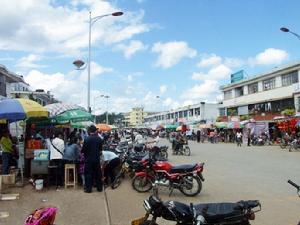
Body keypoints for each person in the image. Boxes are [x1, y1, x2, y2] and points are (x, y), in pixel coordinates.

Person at [81, 125, 103, 193]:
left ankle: (89, 189)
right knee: (98, 174)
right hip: (96, 159)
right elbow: (100, 150)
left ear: (89, 131)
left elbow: (83, 150)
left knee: (88, 174)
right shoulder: (99, 139)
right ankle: (99, 188)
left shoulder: (86, 139)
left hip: (88, 160)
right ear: (95, 131)